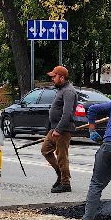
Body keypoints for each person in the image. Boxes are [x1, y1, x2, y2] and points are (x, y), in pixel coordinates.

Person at [41, 65, 78, 193]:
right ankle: (60, 174)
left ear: (61, 77)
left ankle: (65, 183)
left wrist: (59, 129)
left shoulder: (68, 91)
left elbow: (67, 114)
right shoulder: (61, 89)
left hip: (63, 130)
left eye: (54, 76)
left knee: (62, 156)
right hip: (54, 129)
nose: (52, 79)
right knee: (45, 150)